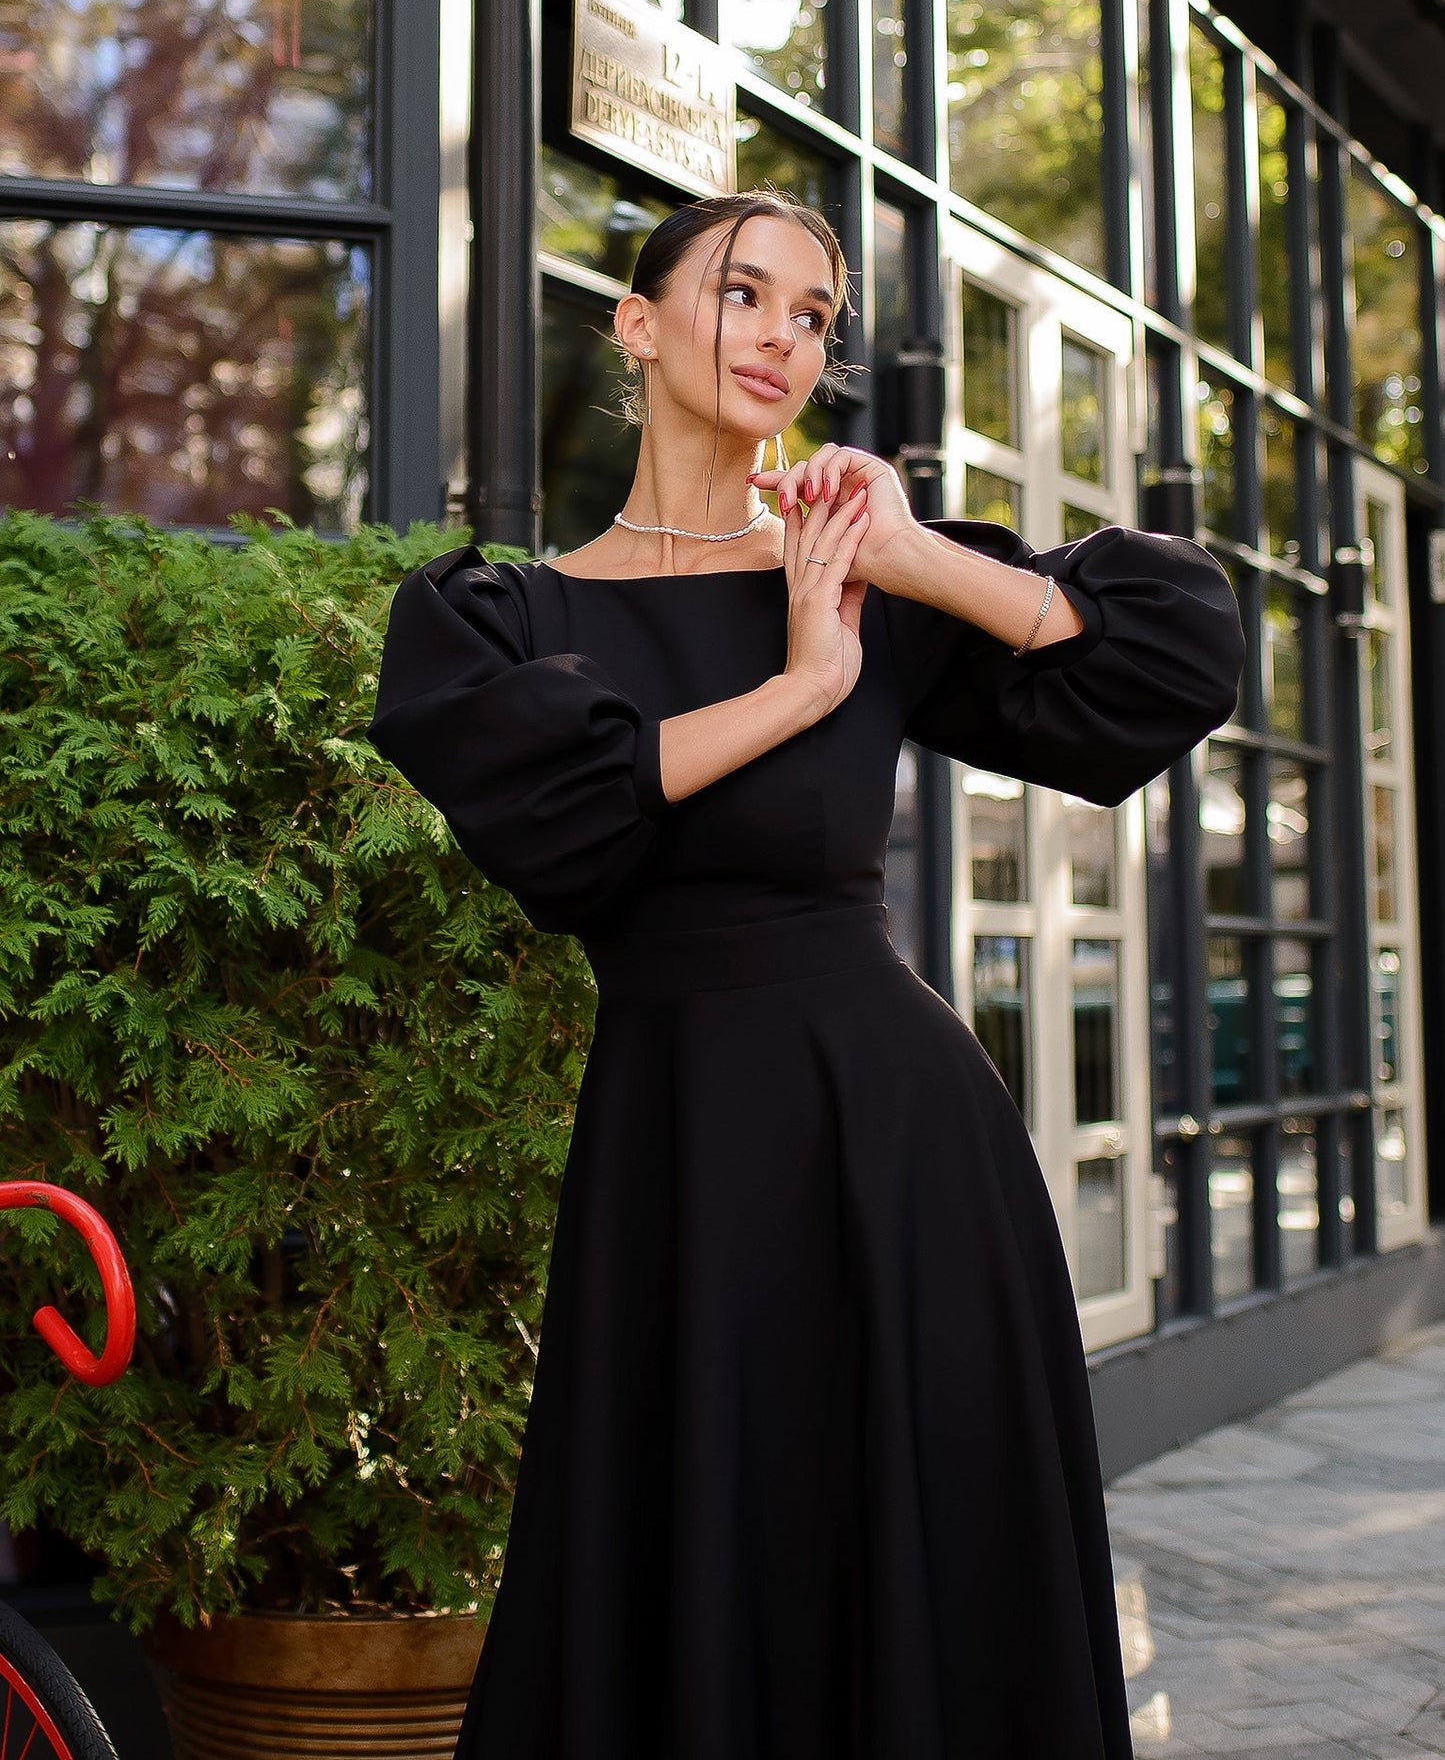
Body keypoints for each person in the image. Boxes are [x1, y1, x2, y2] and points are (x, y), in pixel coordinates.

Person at [366, 185, 1244, 1760]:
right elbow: (565, 824)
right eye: (742, 292)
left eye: (814, 313)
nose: (782, 334)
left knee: (910, 1575)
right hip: (677, 1155)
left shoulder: (857, 566)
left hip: (898, 1158)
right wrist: (803, 683)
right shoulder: (506, 615)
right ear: (634, 325)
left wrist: (907, 558)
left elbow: (1157, 661)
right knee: (682, 1552)